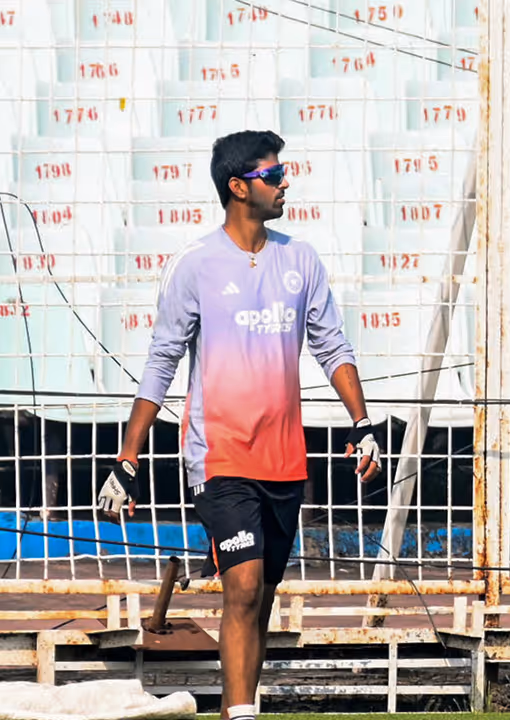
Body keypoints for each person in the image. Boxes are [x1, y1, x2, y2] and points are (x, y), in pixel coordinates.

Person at [94, 130, 383, 720]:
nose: (285, 184)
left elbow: (332, 346)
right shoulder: (196, 265)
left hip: (284, 460)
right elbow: (162, 360)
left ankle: (236, 710)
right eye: (274, 175)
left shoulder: (300, 259)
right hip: (219, 456)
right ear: (237, 186)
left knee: (260, 600)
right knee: (244, 587)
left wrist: (363, 424)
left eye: (283, 173)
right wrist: (128, 457)